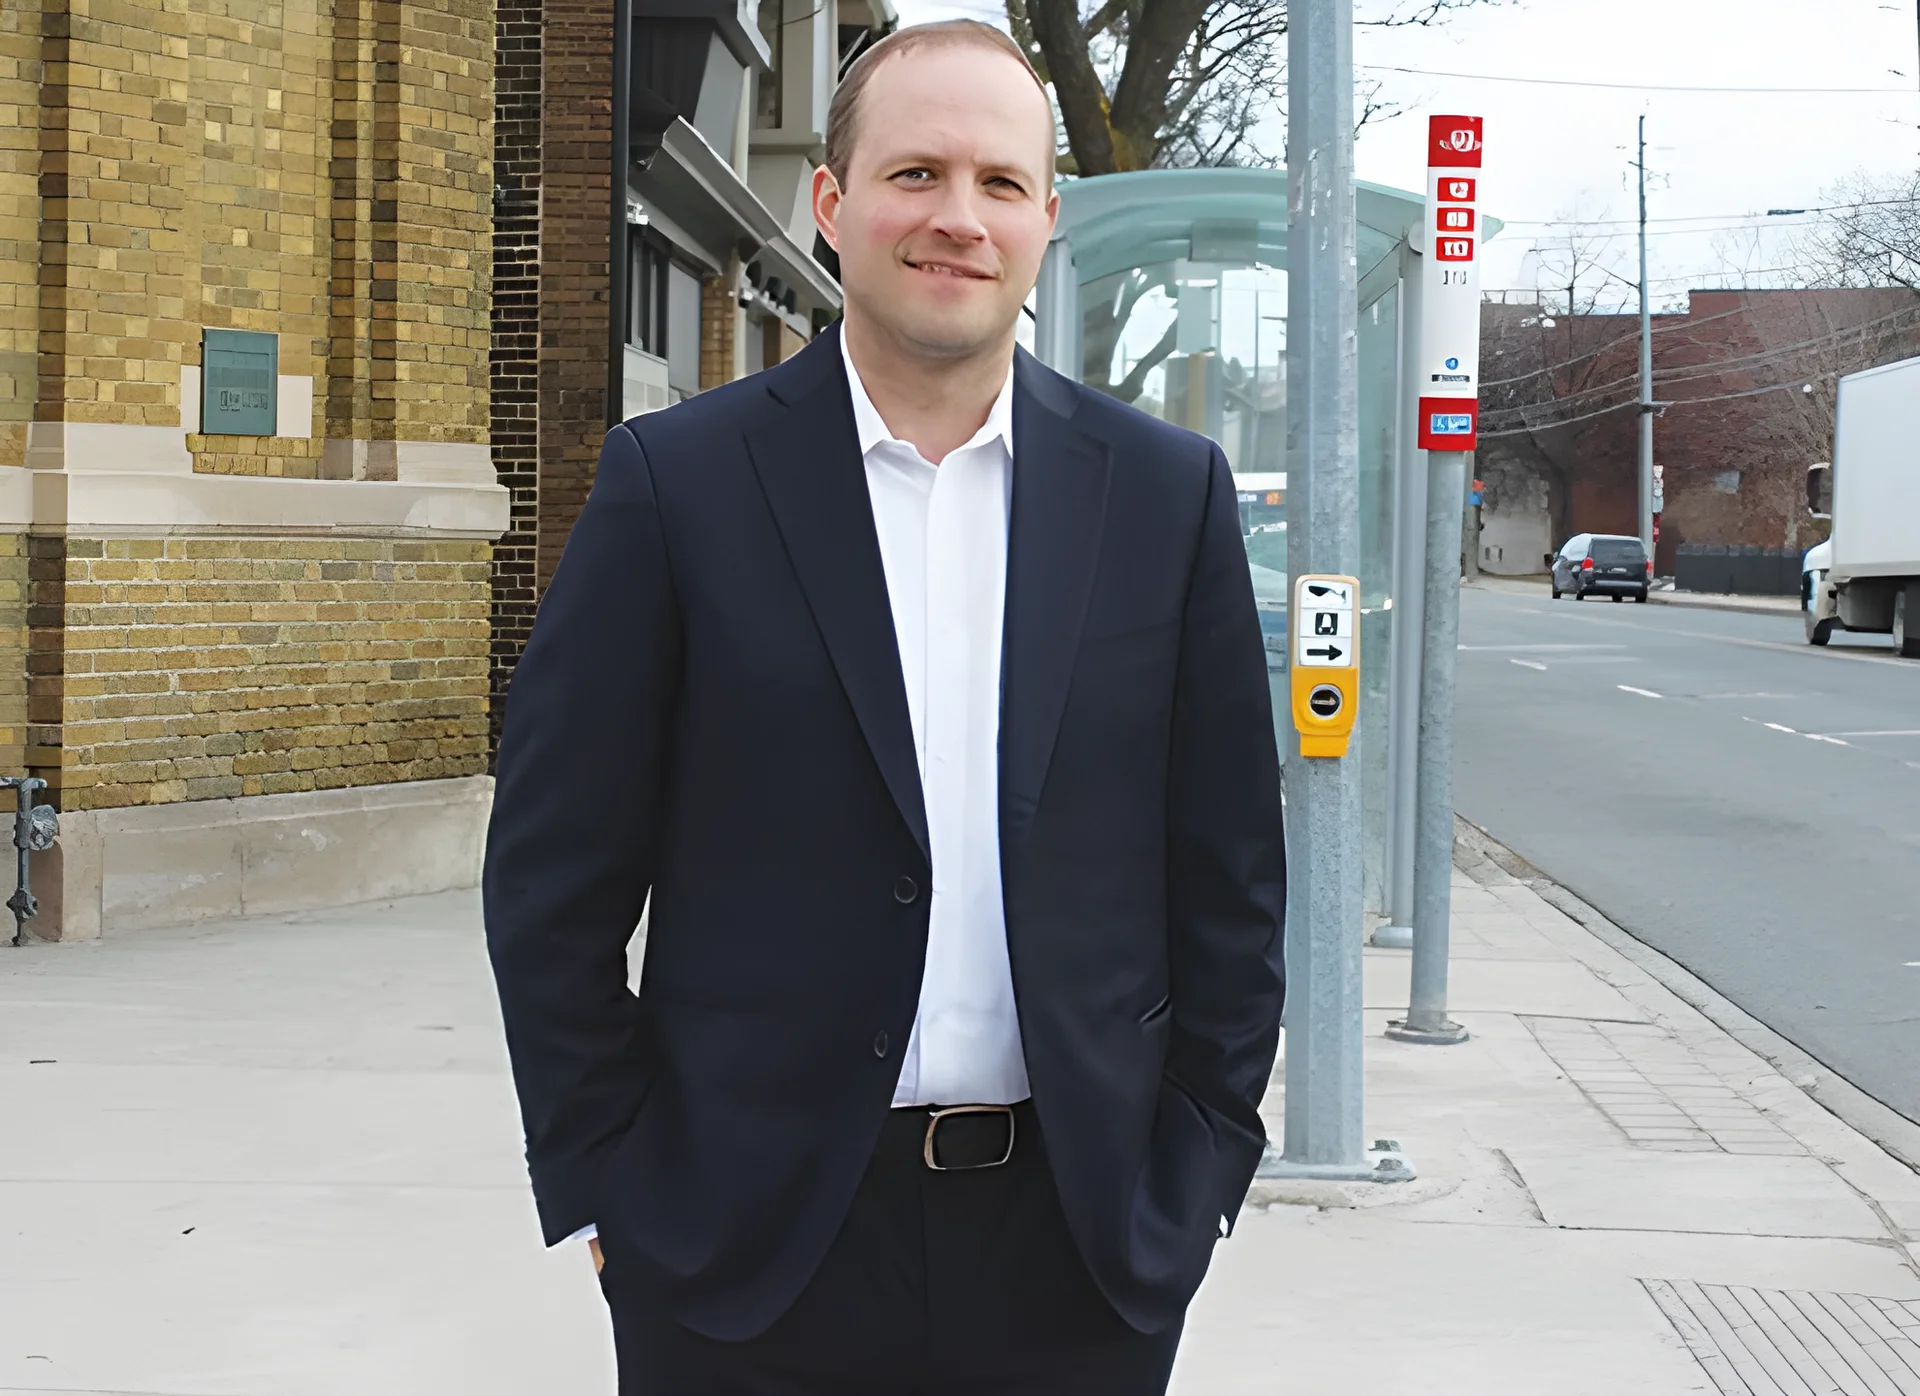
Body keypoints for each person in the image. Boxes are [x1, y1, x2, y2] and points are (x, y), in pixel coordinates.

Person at [483, 19, 1286, 1394]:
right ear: (835, 203)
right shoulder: (677, 488)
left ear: (1044, 217)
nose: (956, 219)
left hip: (1080, 1251)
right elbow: (552, 875)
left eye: (998, 183)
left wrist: (1200, 1162)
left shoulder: (1166, 500)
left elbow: (1230, 880)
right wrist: (612, 1178)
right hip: (745, 1250)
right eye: (916, 172)